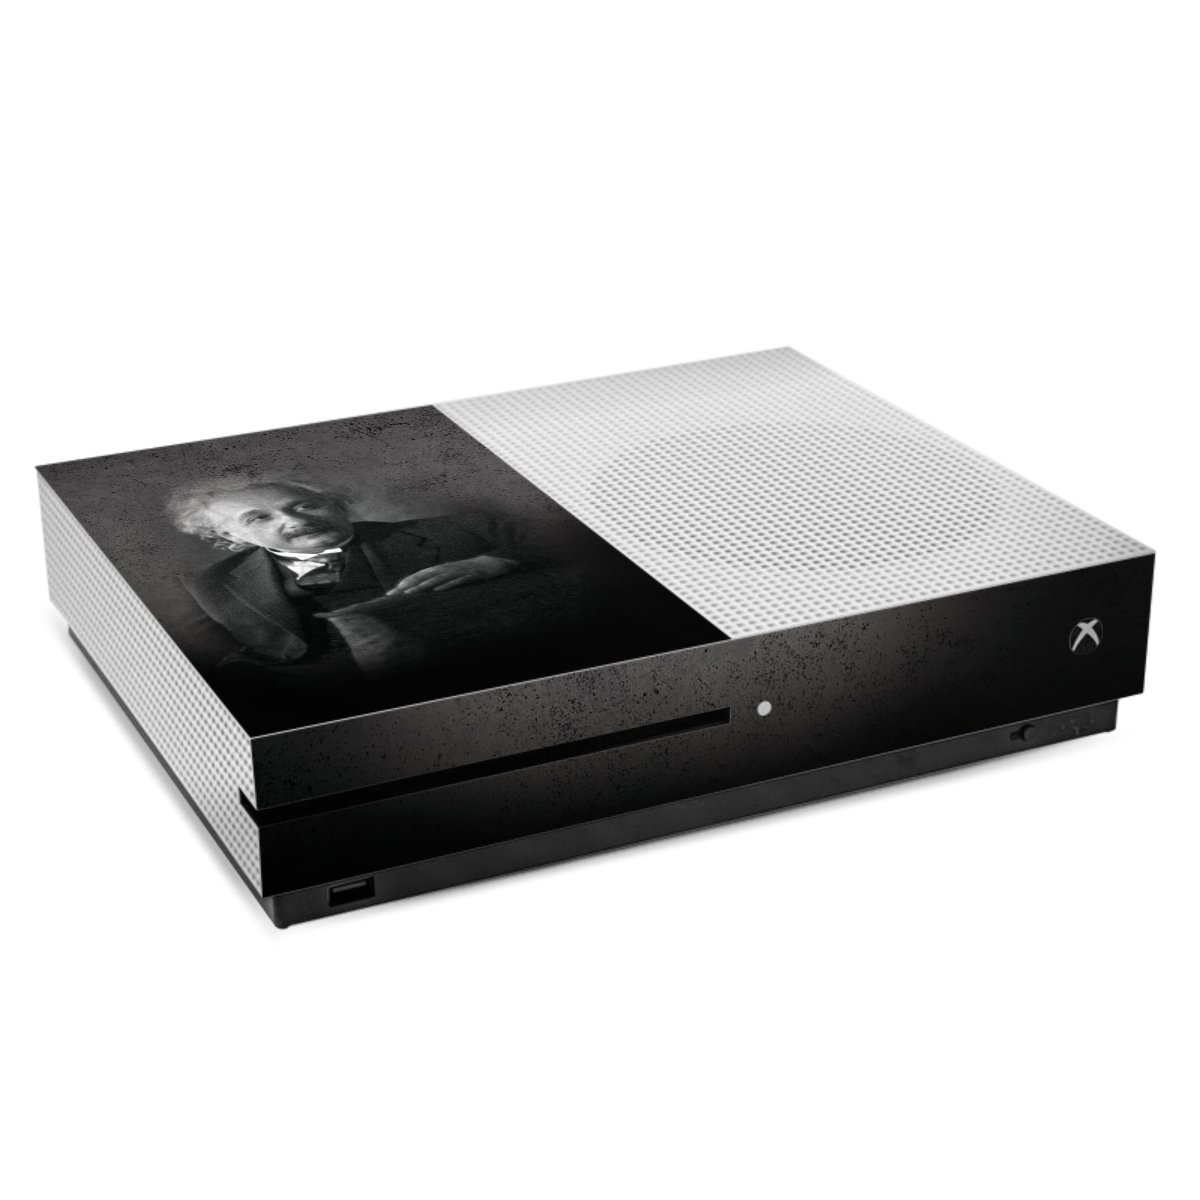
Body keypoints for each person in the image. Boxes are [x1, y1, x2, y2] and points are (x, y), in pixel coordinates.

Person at [165, 477, 528, 675]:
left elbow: (552, 542)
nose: (294, 520)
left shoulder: (456, 530)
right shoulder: (207, 584)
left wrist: (494, 562)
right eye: (259, 518)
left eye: (304, 504)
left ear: (336, 504)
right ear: (230, 537)